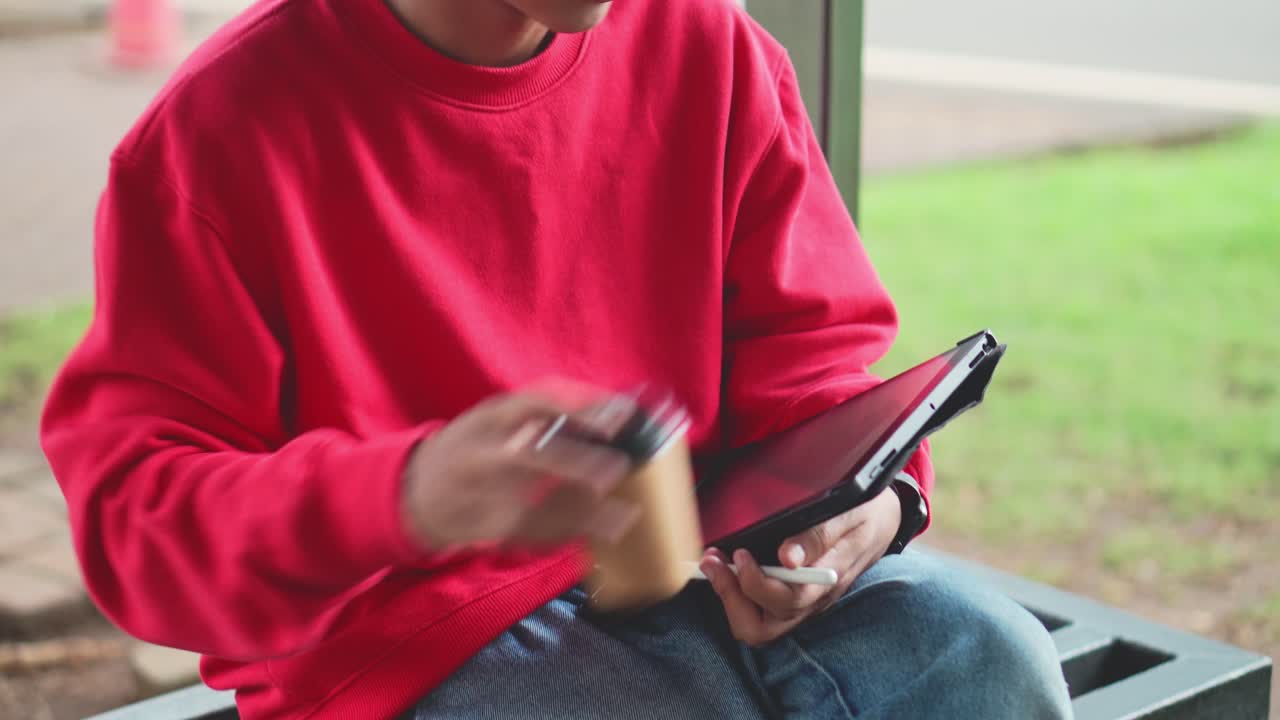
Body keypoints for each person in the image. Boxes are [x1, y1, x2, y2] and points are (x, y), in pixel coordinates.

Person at [41, 1, 1073, 718]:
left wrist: (866, 510)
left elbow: (810, 362)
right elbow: (141, 529)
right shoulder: (219, 136)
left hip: (708, 563)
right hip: (415, 643)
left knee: (988, 658)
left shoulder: (708, 46)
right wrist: (404, 495)